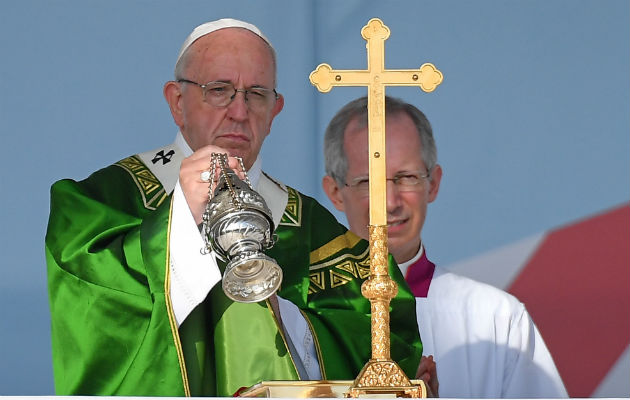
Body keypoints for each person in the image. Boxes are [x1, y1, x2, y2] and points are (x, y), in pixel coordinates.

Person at [45, 20, 432, 396]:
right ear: (177, 102)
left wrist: (283, 320)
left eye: (257, 93)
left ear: (275, 111)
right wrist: (181, 221)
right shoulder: (104, 201)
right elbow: (91, 311)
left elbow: (382, 338)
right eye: (219, 90)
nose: (239, 111)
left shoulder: (309, 224)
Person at [322, 95, 569, 398]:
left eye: (407, 177)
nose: (390, 202)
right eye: (369, 182)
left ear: (433, 184)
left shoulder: (496, 320)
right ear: (335, 192)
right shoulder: (300, 317)